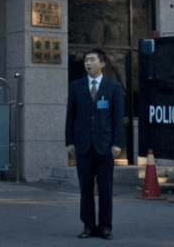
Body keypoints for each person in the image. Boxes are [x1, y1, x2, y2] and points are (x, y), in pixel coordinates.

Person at [65, 49, 124, 240]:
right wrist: (70, 141)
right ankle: (88, 226)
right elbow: (70, 116)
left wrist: (117, 143)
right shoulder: (76, 87)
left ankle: (105, 226)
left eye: (92, 60)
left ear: (102, 64)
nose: (88, 63)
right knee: (86, 188)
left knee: (105, 188)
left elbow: (117, 118)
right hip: (83, 145)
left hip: (105, 146)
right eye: (86, 60)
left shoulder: (113, 87)